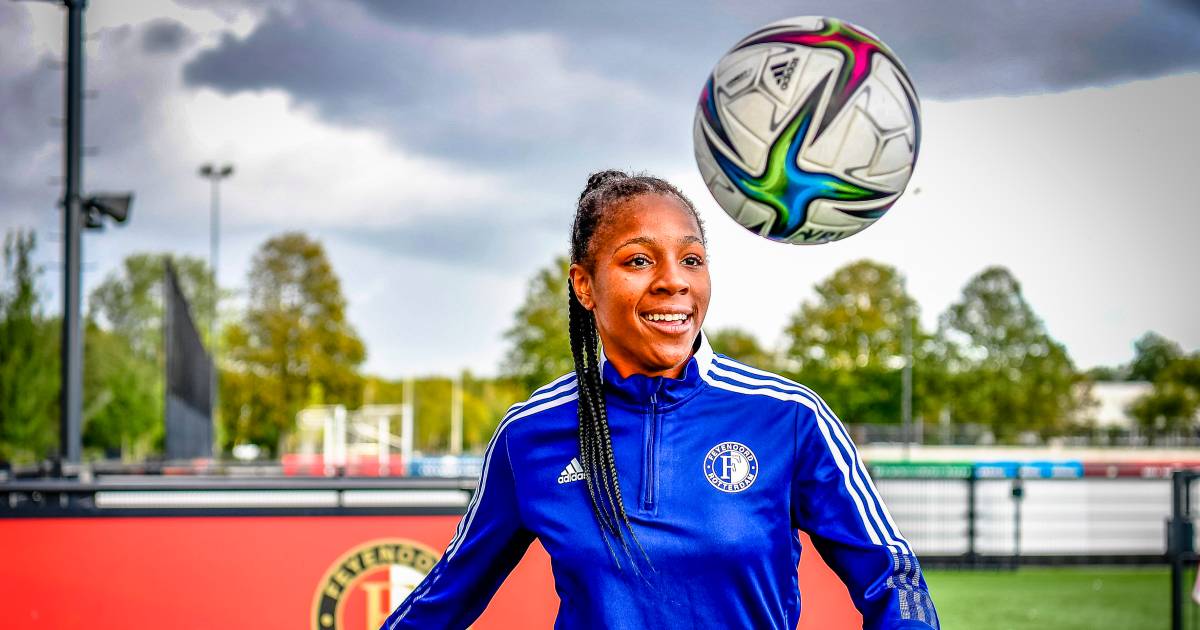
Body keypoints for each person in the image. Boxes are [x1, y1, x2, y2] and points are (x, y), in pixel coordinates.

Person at [381, 170, 939, 630]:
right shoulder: (531, 433)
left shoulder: (789, 417)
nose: (675, 281)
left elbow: (892, 576)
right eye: (639, 261)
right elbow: (448, 593)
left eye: (691, 260)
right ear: (584, 285)